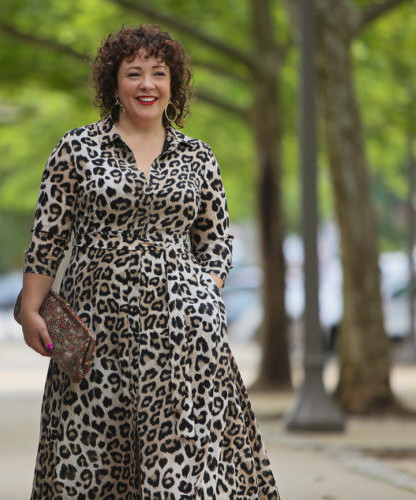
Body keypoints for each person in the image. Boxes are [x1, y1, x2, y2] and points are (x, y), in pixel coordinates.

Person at [20, 24, 280, 499]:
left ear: (173, 84)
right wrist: (32, 311)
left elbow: (216, 238)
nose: (147, 84)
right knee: (90, 462)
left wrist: (205, 291)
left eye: (158, 74)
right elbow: (47, 236)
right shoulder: (76, 150)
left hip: (181, 336)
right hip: (95, 328)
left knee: (180, 463)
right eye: (134, 73)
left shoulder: (198, 157)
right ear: (113, 84)